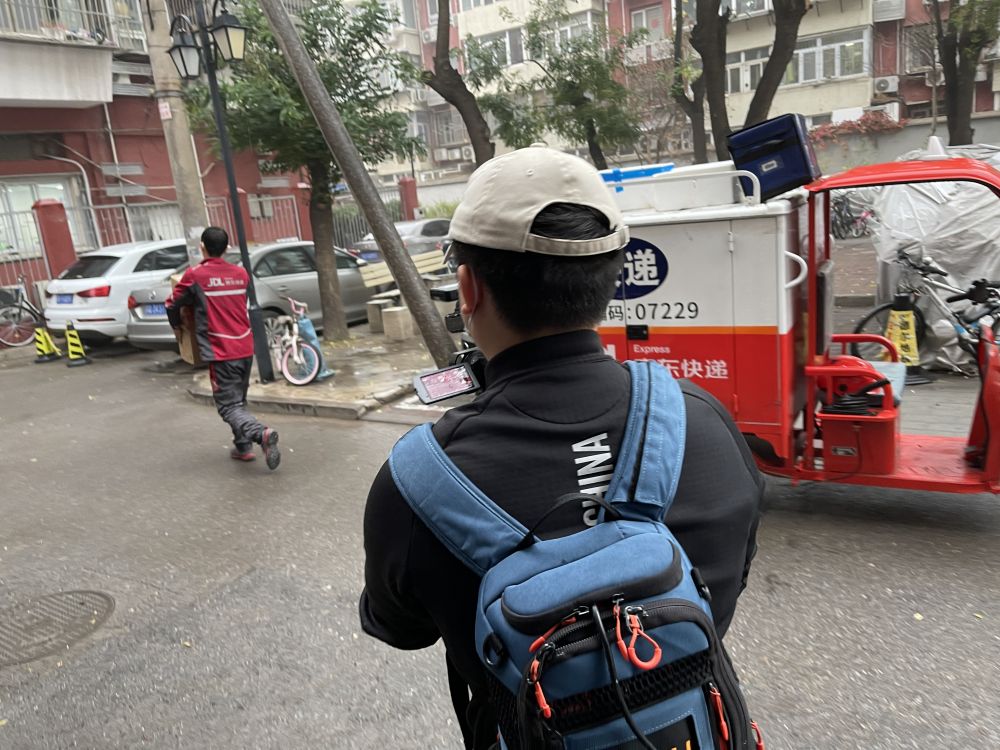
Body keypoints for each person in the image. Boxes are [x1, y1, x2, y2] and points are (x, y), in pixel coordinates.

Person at [359, 145, 762, 748]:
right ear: (612, 281)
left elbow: (399, 627)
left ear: (468, 288)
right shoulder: (703, 422)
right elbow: (734, 573)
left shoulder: (416, 483)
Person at [166, 227, 280, 470]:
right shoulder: (241, 274)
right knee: (238, 401)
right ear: (227, 248)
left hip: (220, 350)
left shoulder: (195, 275)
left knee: (228, 406)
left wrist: (178, 327)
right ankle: (243, 447)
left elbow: (172, 304)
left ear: (202, 247)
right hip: (244, 346)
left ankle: (260, 434)